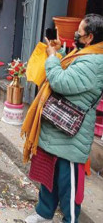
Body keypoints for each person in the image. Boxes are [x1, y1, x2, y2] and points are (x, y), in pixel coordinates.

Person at [22, 14, 103, 223]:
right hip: (60, 126)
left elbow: (61, 81)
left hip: (72, 135)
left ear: (89, 37)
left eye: (80, 32)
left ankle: (70, 219)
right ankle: (44, 213)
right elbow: (72, 66)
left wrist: (51, 57)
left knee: (69, 184)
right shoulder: (87, 53)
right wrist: (62, 52)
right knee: (49, 174)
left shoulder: (96, 62)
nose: (75, 34)